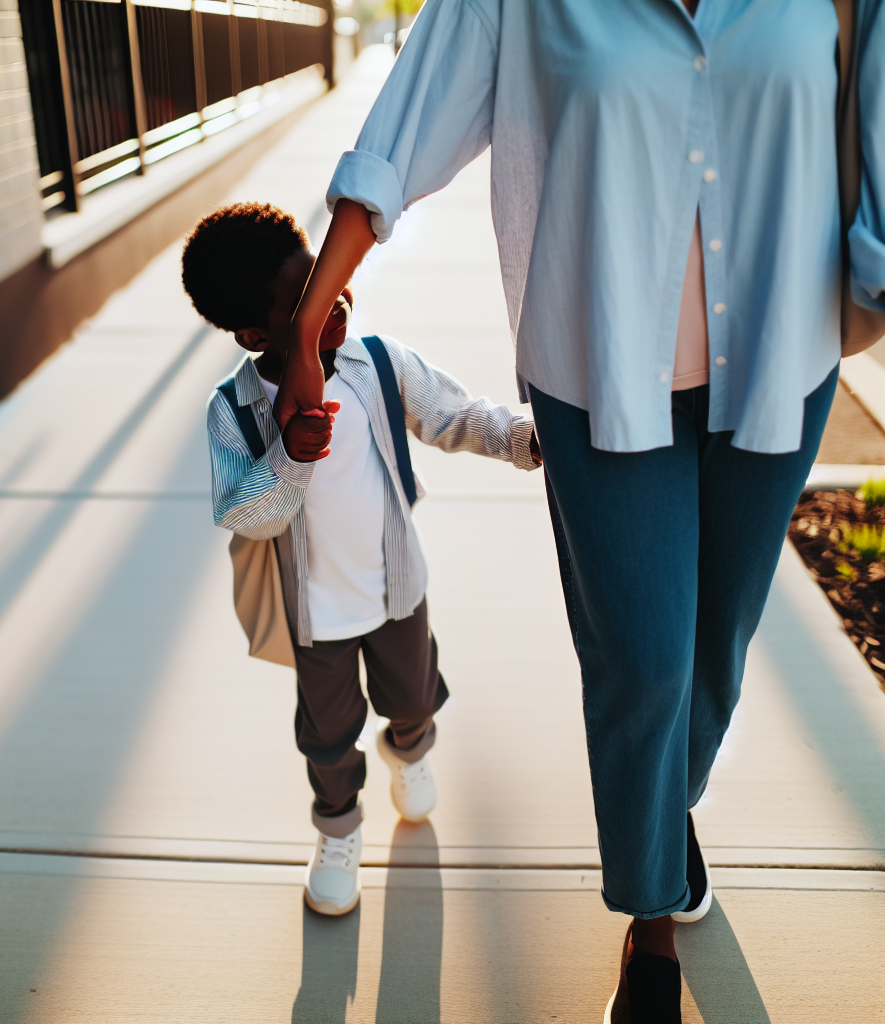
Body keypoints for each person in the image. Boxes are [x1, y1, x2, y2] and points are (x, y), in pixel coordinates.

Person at [271, 1, 885, 1020]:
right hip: (598, 373)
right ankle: (651, 920)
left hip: (782, 358)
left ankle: (664, 815)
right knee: (644, 665)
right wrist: (307, 322)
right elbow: (400, 134)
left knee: (714, 655)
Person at [184, 202, 542, 917]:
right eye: (304, 301)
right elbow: (242, 514)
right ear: (256, 335)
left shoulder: (376, 363)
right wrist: (290, 455)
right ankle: (339, 829)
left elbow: (455, 415)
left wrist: (528, 439)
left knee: (413, 698)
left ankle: (409, 750)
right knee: (327, 734)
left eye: (326, 277)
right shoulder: (235, 411)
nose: (334, 299)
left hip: (396, 589)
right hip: (315, 615)